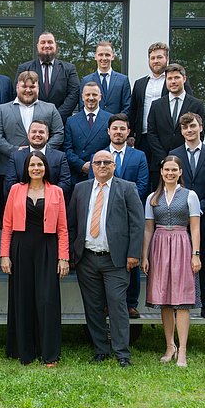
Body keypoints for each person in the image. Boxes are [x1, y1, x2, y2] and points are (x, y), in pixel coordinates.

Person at [68, 150, 144, 368]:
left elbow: (137, 223)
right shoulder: (80, 189)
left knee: (117, 305)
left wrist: (133, 253)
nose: (102, 166)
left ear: (113, 165)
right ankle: (100, 349)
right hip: (87, 258)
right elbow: (72, 223)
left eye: (106, 162)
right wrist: (73, 252)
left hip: (115, 260)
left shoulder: (127, 188)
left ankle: (122, 353)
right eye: (98, 162)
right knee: (93, 306)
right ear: (92, 166)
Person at [0, 151, 69, 366]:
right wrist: (4, 255)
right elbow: (7, 225)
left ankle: (49, 353)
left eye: (40, 164)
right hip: (21, 248)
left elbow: (63, 228)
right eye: (32, 165)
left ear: (45, 167)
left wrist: (63, 257)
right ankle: (24, 351)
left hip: (47, 248)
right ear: (26, 168)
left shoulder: (56, 191)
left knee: (47, 300)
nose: (36, 168)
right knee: (23, 298)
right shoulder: (15, 189)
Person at [141, 155, 202, 368]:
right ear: (161, 172)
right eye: (167, 169)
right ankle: (170, 346)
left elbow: (195, 227)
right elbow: (148, 229)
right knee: (164, 299)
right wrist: (144, 255)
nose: (170, 173)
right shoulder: (152, 197)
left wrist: (196, 254)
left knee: (182, 300)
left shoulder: (189, 195)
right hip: (159, 245)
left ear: (180, 172)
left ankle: (183, 349)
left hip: (181, 244)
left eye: (174, 170)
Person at [89, 113, 148, 319]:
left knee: (131, 260)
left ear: (128, 131)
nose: (118, 132)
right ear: (108, 131)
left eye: (122, 128)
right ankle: (107, 304)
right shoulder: (99, 156)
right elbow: (93, 183)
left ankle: (131, 303)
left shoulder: (138, 156)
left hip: (130, 214)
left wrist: (124, 203)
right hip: (103, 213)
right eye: (115, 128)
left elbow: (142, 184)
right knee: (110, 262)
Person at [169, 112, 205, 319]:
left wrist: (199, 207)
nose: (189, 130)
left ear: (200, 127)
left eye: (192, 126)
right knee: (180, 260)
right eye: (185, 127)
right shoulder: (174, 153)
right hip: (180, 216)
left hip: (204, 215)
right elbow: (171, 182)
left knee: (203, 257)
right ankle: (177, 302)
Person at [0, 70, 64, 218]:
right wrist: (16, 151)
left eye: (32, 86)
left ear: (38, 88)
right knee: (11, 214)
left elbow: (59, 133)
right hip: (9, 169)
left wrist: (40, 152)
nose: (28, 90)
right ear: (17, 87)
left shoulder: (50, 108)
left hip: (42, 170)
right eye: (24, 86)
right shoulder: (3, 109)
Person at [128, 42, 193, 159]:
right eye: (152, 58)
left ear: (167, 58)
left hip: (168, 138)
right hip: (144, 137)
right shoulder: (140, 84)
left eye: (159, 57)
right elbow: (133, 110)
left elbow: (187, 106)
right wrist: (131, 134)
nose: (156, 61)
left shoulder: (174, 82)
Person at [147, 64, 205, 190]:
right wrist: (165, 159)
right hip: (160, 164)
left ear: (184, 79)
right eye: (169, 78)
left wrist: (181, 159)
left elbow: (199, 134)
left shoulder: (196, 104)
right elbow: (151, 133)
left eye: (176, 78)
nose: (173, 81)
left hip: (185, 165)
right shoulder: (156, 105)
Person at [16, 32, 80, 124]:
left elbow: (74, 93)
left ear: (56, 46)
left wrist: (56, 117)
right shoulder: (25, 68)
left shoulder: (69, 69)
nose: (46, 45)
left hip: (61, 123)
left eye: (50, 42)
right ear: (37, 46)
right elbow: (18, 93)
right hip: (31, 124)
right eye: (43, 42)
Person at [4, 120, 71, 200]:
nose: (37, 135)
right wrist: (29, 197)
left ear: (47, 136)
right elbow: (10, 183)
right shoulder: (15, 157)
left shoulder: (60, 157)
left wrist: (47, 197)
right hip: (22, 202)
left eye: (41, 132)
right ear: (28, 135)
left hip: (52, 201)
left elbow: (65, 182)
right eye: (34, 132)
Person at [63, 82, 112, 185]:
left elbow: (112, 146)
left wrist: (98, 163)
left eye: (94, 95)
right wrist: (81, 165)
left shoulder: (110, 119)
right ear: (82, 97)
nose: (91, 98)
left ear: (100, 97)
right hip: (78, 175)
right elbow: (67, 149)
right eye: (88, 95)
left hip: (103, 173)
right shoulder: (71, 121)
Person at [79, 41, 131, 115]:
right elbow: (82, 107)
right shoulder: (86, 81)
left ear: (112, 57)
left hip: (116, 121)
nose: (104, 58)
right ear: (95, 57)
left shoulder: (123, 80)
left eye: (107, 55)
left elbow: (127, 107)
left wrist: (117, 121)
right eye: (100, 55)